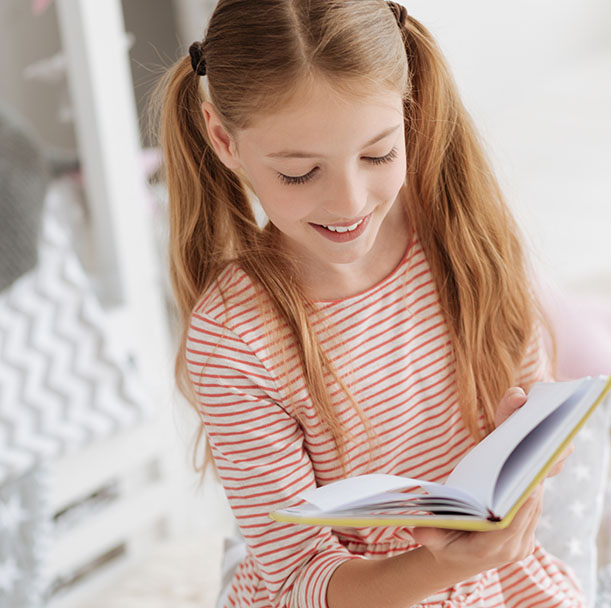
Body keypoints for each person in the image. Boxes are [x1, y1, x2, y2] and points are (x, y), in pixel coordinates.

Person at [153, 1, 583, 606]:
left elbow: (527, 399)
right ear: (224, 140)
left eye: (378, 154)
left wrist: (529, 454)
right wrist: (447, 564)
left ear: (406, 113)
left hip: (498, 586)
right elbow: (300, 578)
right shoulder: (234, 338)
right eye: (300, 173)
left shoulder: (459, 237)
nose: (349, 202)